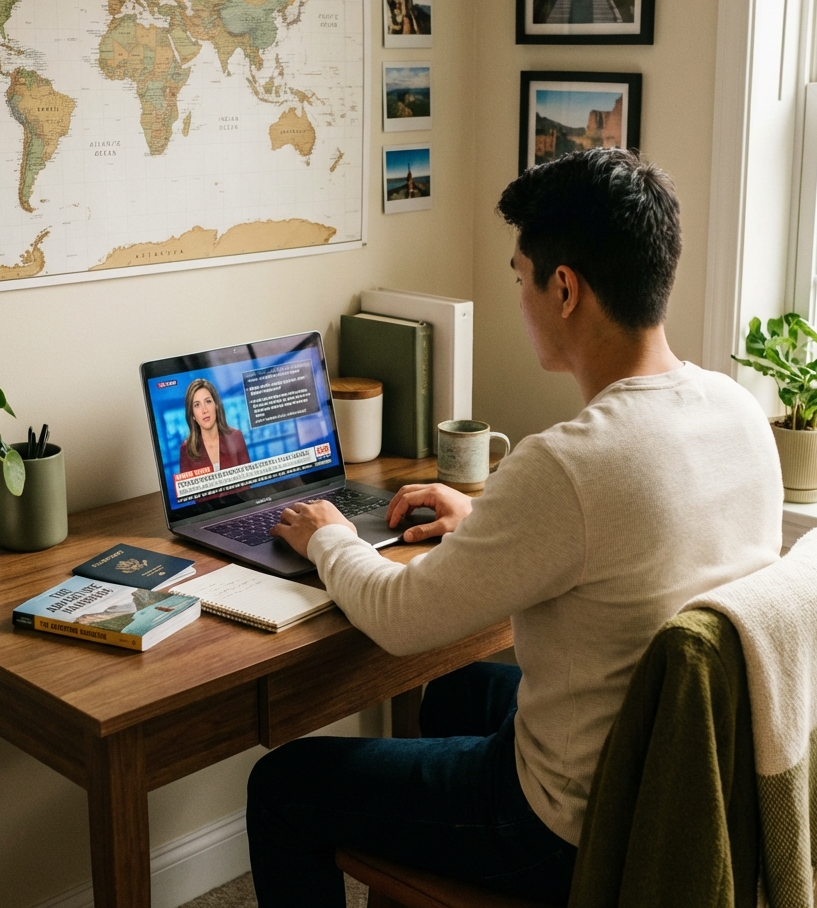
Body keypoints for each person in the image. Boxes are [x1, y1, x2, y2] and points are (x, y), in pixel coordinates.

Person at [247, 148, 784, 907]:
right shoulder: (737, 411)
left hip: (568, 828)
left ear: (564, 288)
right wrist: (488, 520)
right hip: (675, 771)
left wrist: (326, 533)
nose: (520, 297)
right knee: (456, 693)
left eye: (519, 277)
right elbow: (628, 545)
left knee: (282, 785)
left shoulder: (570, 464)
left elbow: (401, 620)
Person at [178, 378, 250, 477]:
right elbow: (188, 491)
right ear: (192, 414)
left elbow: (247, 482)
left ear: (216, 405)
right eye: (197, 405)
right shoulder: (186, 449)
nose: (204, 410)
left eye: (208, 401)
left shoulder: (236, 436)